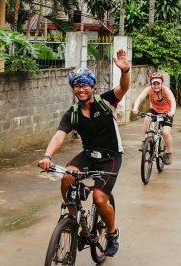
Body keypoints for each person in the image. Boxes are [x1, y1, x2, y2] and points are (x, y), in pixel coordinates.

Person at [37, 49, 130, 257]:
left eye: (85, 85)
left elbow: (123, 88)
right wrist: (47, 157)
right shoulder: (73, 113)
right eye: (77, 86)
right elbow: (60, 135)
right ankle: (73, 220)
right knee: (66, 177)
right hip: (88, 155)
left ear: (93, 87)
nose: (81, 89)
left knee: (98, 198)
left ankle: (113, 233)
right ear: (73, 89)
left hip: (110, 158)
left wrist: (125, 71)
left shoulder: (105, 102)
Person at [132, 72, 176, 165]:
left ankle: (168, 152)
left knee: (165, 133)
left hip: (167, 112)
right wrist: (135, 108)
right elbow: (140, 98)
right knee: (147, 118)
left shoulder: (166, 90)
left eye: (158, 83)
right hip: (155, 110)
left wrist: (172, 112)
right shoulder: (149, 89)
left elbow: (173, 101)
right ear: (151, 84)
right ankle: (144, 141)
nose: (156, 86)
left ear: (161, 83)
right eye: (154, 84)